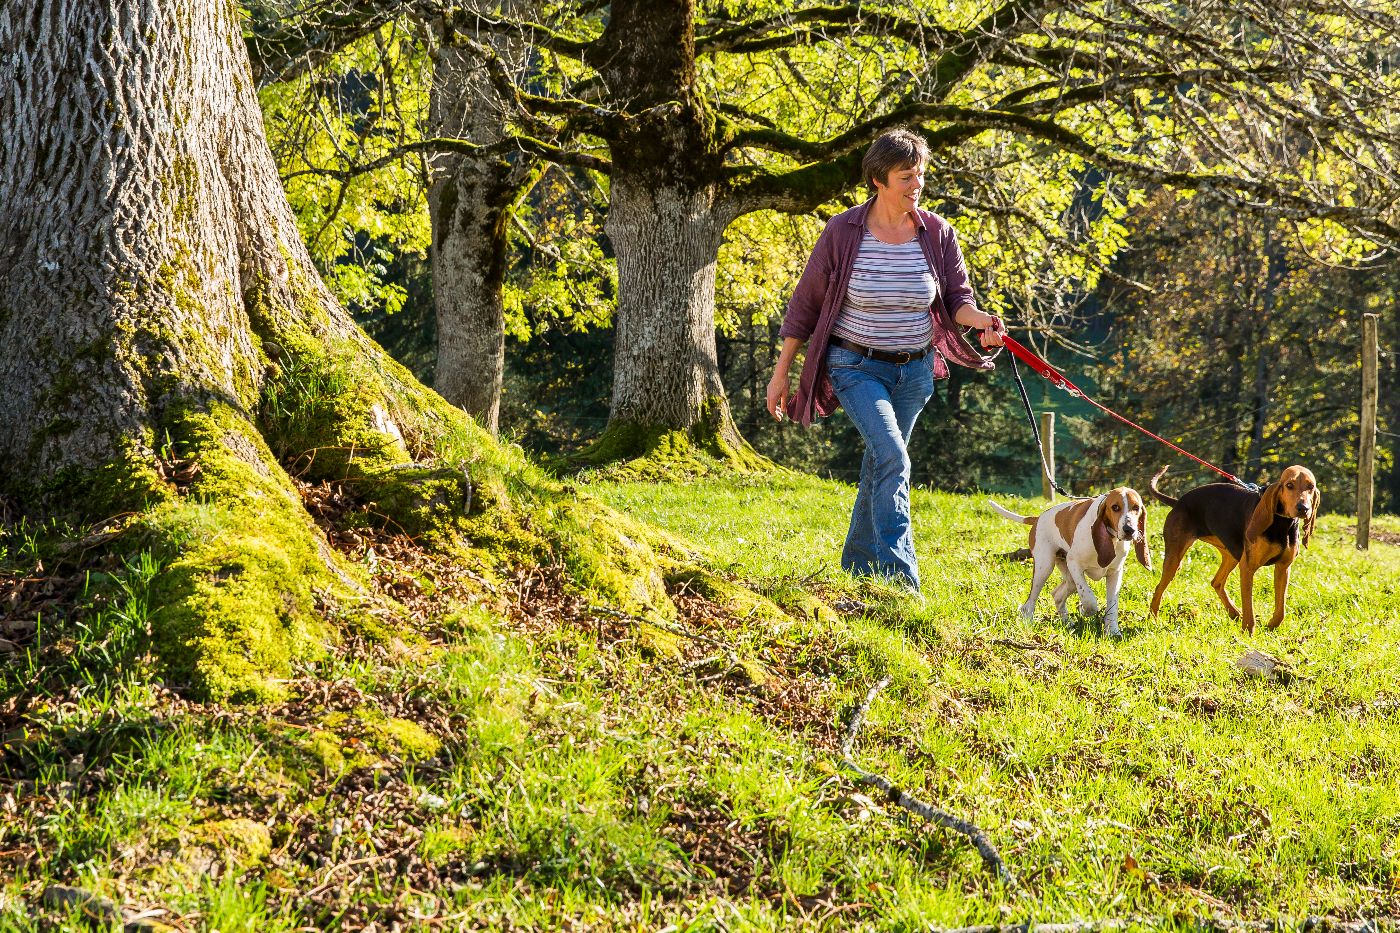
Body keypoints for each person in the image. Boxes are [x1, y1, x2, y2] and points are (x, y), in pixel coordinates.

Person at [766, 128, 1004, 593]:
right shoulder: (843, 231)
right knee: (894, 456)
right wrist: (782, 375)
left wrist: (983, 321)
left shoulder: (936, 233)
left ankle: (857, 566)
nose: (916, 186)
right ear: (878, 179)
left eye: (920, 176)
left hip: (914, 372)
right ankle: (901, 580)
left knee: (882, 463)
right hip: (855, 366)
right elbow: (805, 308)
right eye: (905, 177)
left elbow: (958, 300)